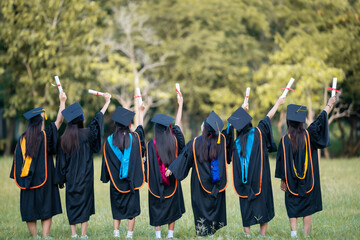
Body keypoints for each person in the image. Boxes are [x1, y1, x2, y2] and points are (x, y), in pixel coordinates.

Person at [275, 95, 337, 238]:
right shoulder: (310, 135)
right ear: (302, 121)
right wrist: (329, 104)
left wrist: (283, 180)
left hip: (290, 179)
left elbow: (280, 161)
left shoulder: (285, 140)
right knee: (307, 206)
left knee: (292, 204)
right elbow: (321, 119)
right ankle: (306, 235)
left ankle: (294, 234)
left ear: (288, 121)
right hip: (309, 179)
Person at [10, 92, 67, 239]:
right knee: (46, 208)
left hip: (27, 181)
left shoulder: (21, 139)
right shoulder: (45, 135)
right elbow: (59, 121)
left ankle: (35, 237)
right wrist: (62, 101)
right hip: (45, 181)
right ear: (39, 122)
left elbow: (17, 163)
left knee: (30, 209)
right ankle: (45, 236)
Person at [165, 111, 230, 236]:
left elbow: (184, 157)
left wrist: (172, 168)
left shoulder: (195, 142)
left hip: (199, 184)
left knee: (200, 207)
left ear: (204, 129)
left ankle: (202, 233)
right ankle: (212, 233)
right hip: (216, 183)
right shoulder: (221, 141)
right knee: (214, 205)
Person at [228, 96, 285, 238]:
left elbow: (227, 131)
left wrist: (241, 109)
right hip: (260, 180)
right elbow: (268, 117)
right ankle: (262, 235)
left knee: (246, 206)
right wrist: (278, 102)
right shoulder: (258, 133)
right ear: (249, 123)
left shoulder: (235, 144)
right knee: (262, 204)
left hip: (243, 183)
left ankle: (247, 235)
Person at [56, 93, 111, 239]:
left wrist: (61, 179)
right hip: (85, 177)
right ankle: (83, 234)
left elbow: (61, 162)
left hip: (71, 178)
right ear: (80, 120)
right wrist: (106, 103)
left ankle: (73, 234)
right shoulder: (87, 134)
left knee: (72, 203)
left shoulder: (63, 139)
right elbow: (97, 121)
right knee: (84, 203)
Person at [100, 104, 146, 239]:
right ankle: (129, 234)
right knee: (131, 208)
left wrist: (106, 177)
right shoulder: (135, 138)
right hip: (131, 182)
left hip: (116, 183)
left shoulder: (108, 141)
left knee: (117, 207)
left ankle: (116, 233)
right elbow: (141, 132)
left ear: (116, 124)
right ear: (128, 123)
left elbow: (105, 162)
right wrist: (141, 112)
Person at [145, 93, 185, 239]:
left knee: (157, 206)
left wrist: (148, 177)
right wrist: (180, 105)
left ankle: (158, 235)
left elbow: (148, 163)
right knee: (172, 205)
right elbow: (178, 127)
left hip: (156, 181)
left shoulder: (150, 144)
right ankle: (170, 234)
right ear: (168, 128)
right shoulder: (174, 140)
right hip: (171, 178)